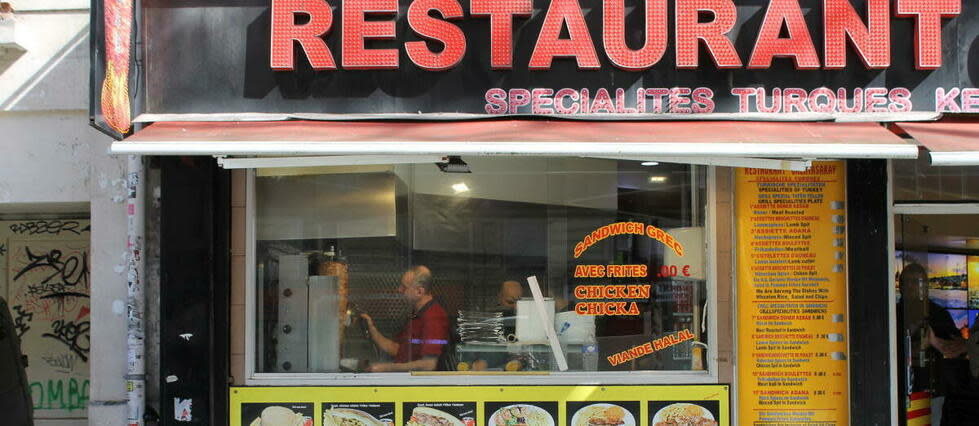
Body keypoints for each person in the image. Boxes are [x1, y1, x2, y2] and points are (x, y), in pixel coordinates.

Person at [359, 265, 449, 372]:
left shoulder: (433, 317)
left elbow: (428, 365)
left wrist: (386, 368)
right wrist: (372, 330)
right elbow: (398, 350)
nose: (399, 290)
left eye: (404, 287)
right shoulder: (416, 314)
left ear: (419, 292)